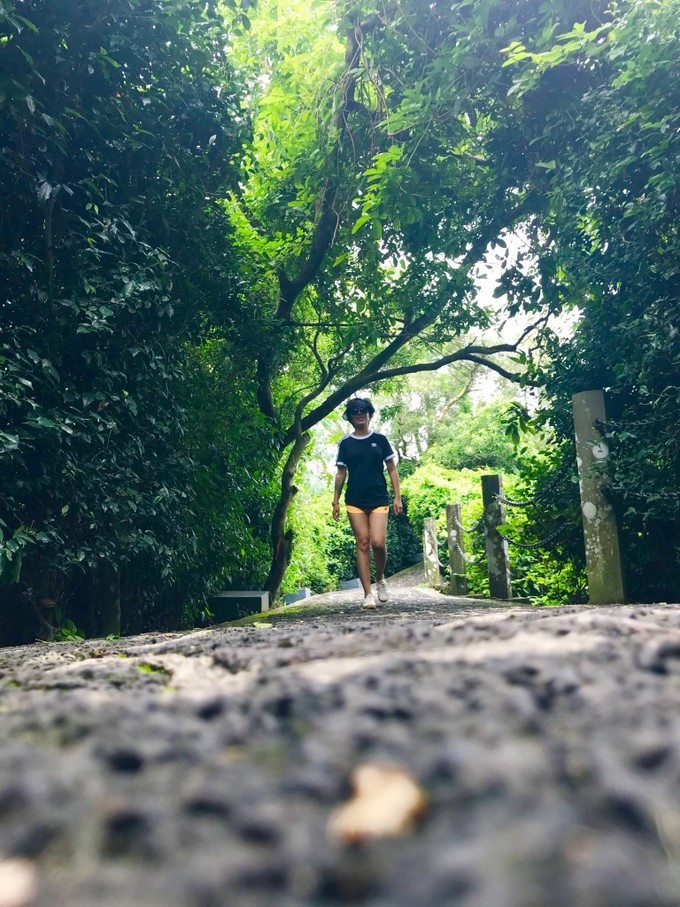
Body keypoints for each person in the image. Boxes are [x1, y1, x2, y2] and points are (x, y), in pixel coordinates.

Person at [332, 397, 403, 609]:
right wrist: (335, 501)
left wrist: (397, 497)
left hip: (378, 497)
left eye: (363, 409)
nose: (359, 412)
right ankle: (367, 594)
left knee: (378, 542)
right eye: (354, 410)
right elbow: (340, 473)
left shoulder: (380, 440)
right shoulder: (345, 443)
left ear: (370, 413)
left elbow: (391, 468)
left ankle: (380, 578)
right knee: (362, 542)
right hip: (354, 499)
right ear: (350, 417)